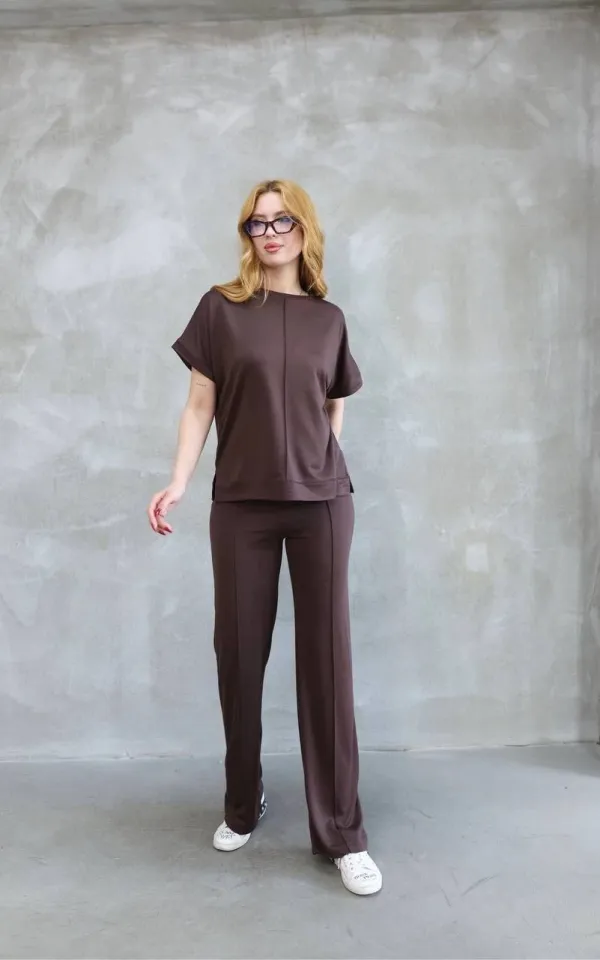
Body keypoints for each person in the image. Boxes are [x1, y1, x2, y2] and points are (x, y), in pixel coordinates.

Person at [147, 179, 382, 896]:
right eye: (257, 223)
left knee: (327, 661)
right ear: (247, 235)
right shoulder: (220, 309)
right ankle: (242, 802)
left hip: (322, 504)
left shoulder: (329, 319)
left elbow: (332, 405)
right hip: (242, 505)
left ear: (304, 229)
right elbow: (200, 404)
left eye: (282, 220)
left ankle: (342, 833)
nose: (270, 232)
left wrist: (317, 462)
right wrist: (179, 480)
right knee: (239, 653)